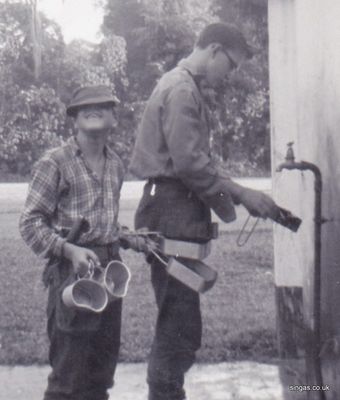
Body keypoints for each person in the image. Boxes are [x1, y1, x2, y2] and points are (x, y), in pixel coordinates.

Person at [129, 23, 279, 400]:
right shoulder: (181, 90)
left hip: (175, 211)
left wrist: (235, 197)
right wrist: (242, 193)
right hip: (171, 212)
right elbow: (191, 164)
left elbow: (194, 162)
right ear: (214, 50)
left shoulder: (183, 85)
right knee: (178, 328)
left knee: (180, 324)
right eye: (230, 65)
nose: (228, 75)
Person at [19, 85, 125, 400]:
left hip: (110, 271)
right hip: (70, 271)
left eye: (103, 105)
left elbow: (106, 224)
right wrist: (68, 249)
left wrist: (129, 237)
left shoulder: (116, 164)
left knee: (101, 374)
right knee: (68, 377)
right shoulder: (55, 162)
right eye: (84, 107)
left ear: (114, 118)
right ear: (73, 119)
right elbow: (29, 222)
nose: (93, 110)